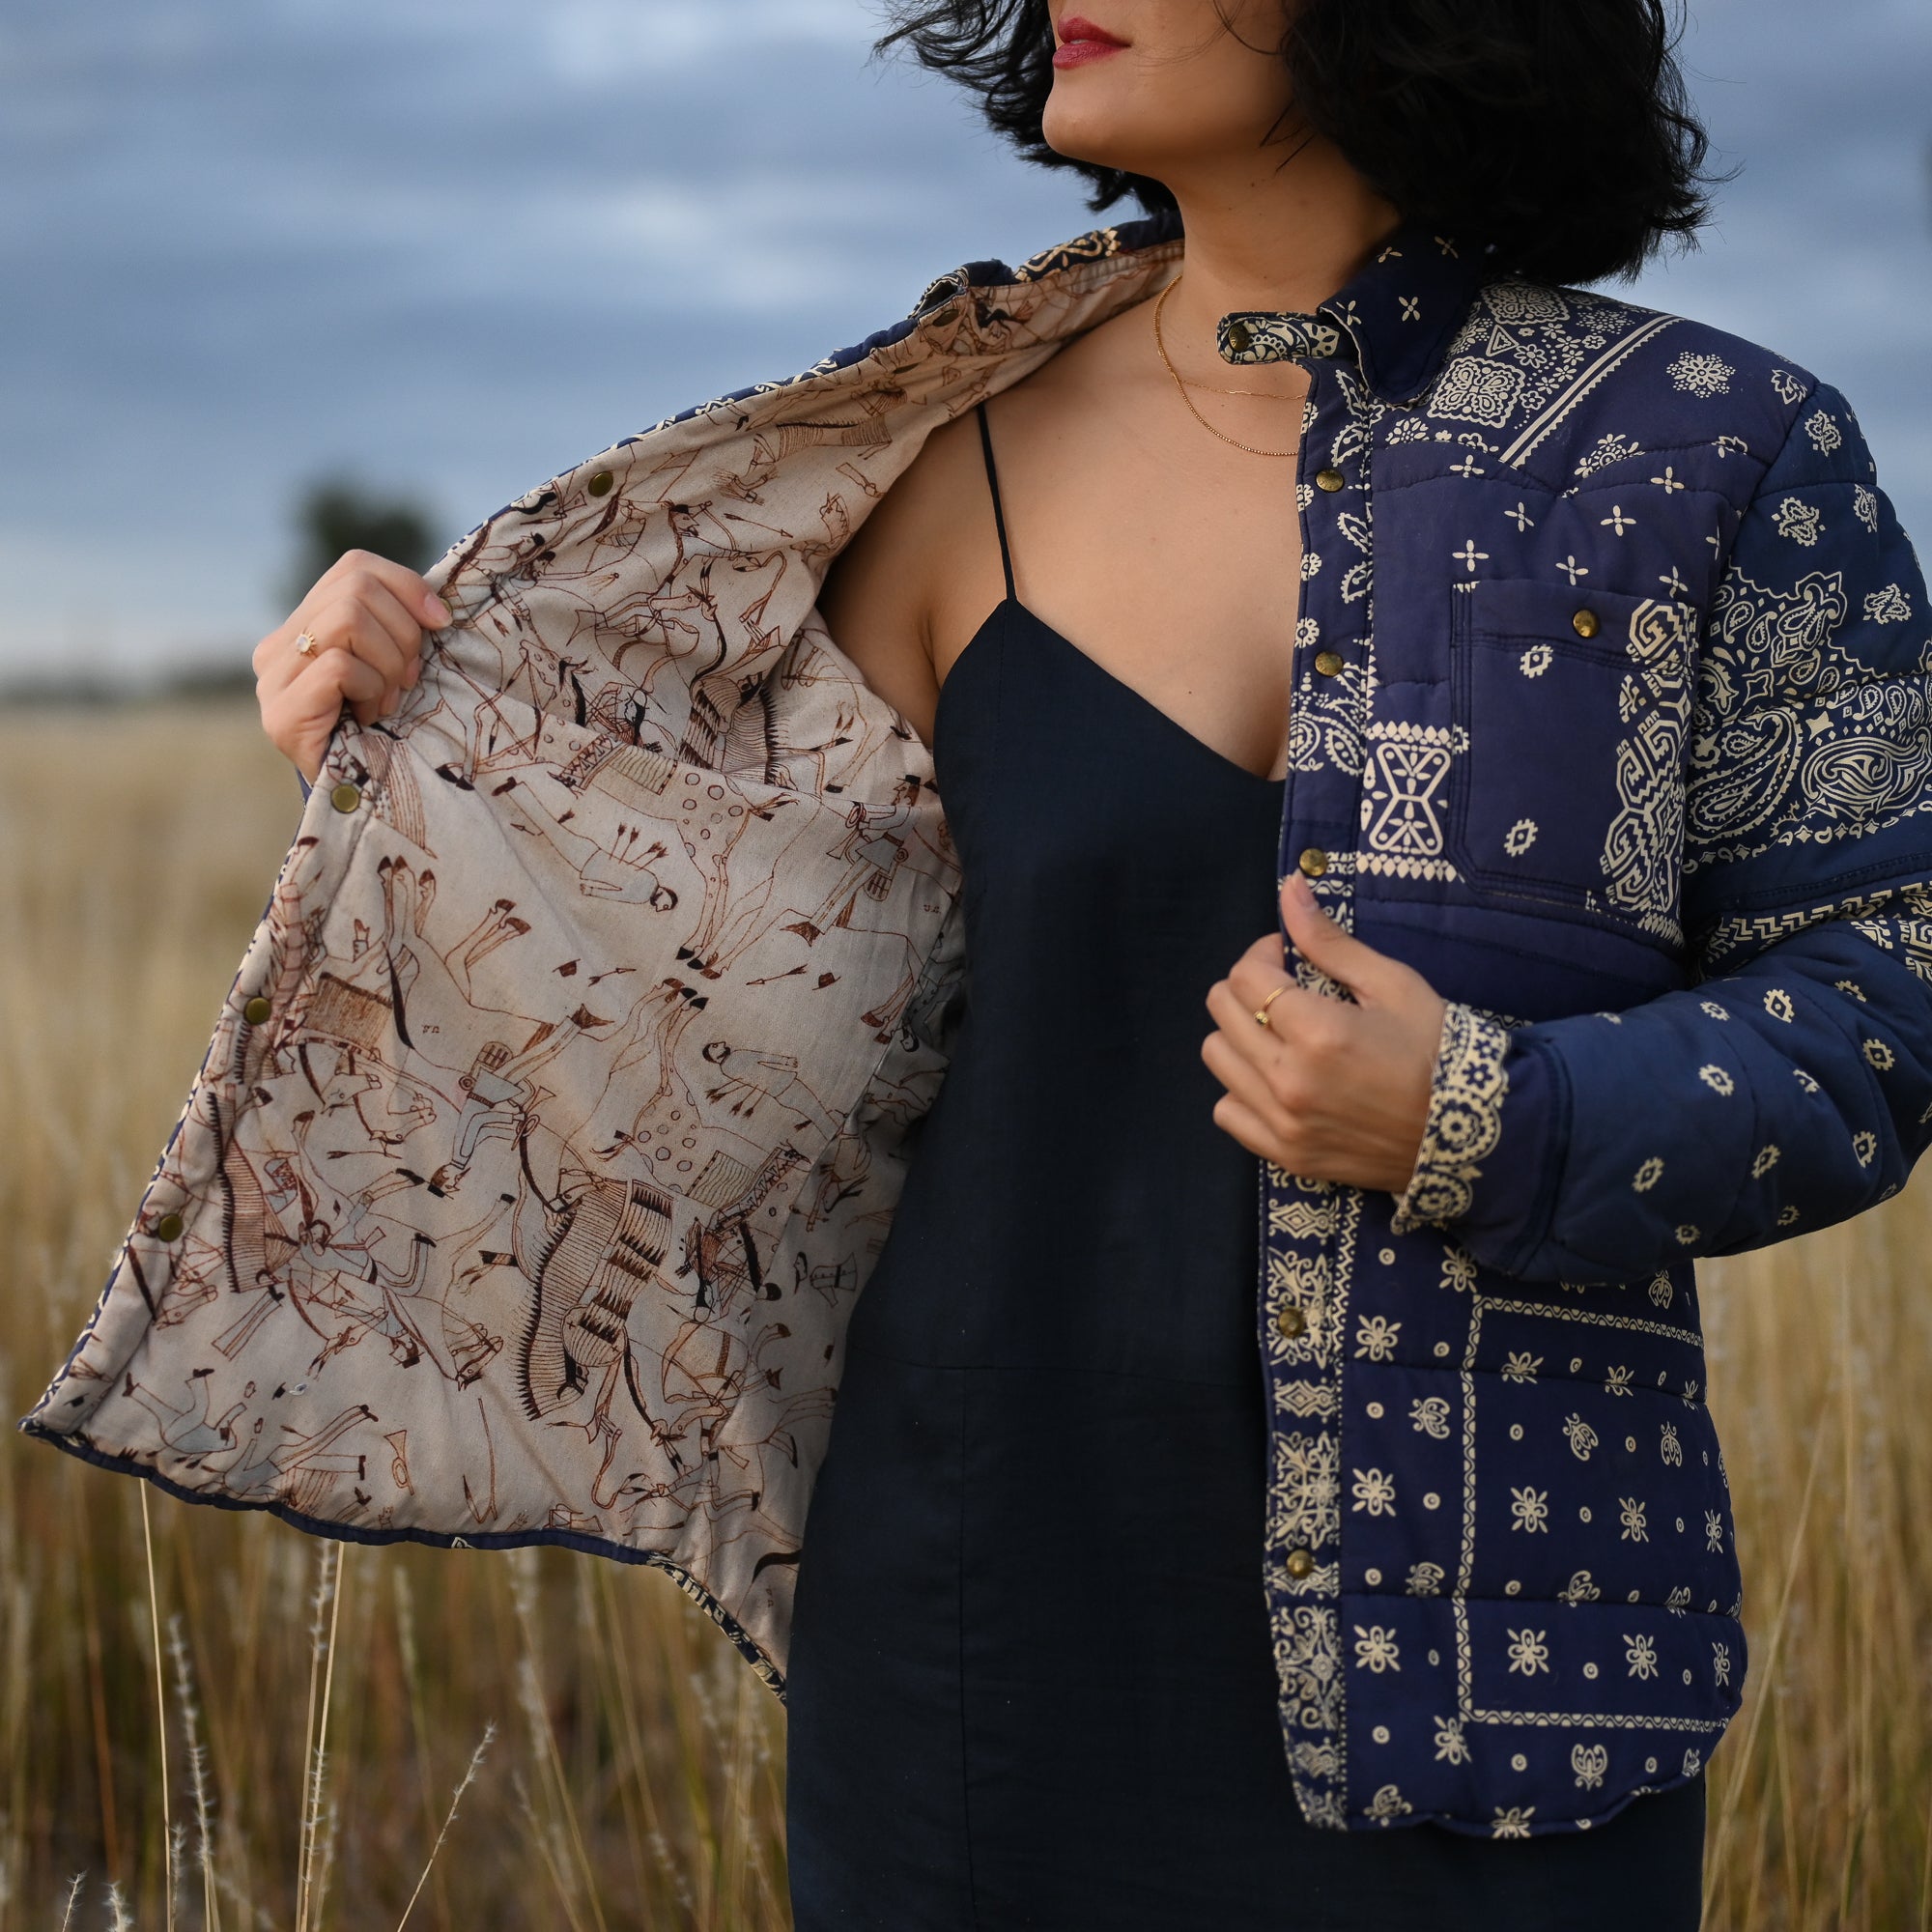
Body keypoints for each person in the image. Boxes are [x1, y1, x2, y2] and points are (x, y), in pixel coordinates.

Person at [30, 4, 1932, 1928]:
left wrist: (1490, 1118)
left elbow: (1882, 995)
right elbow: (745, 1004)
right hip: (981, 1645)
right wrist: (426, 763)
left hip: (1498, 1663)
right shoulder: (947, 460)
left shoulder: (1715, 455)